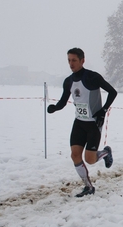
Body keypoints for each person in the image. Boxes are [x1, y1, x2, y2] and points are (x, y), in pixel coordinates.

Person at [47, 48, 117, 198]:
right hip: (79, 122)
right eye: (69, 60)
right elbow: (63, 101)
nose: (71, 64)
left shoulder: (92, 77)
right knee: (75, 155)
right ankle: (88, 186)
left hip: (93, 124)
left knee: (90, 159)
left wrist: (103, 110)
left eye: (74, 60)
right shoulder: (68, 81)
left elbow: (113, 92)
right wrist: (54, 108)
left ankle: (105, 152)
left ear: (82, 60)